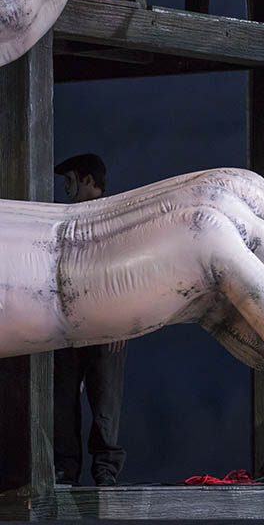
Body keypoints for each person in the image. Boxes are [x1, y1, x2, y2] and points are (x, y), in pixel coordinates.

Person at [53, 153, 127, 486]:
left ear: (87, 180)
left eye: (70, 180)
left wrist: (122, 319)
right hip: (68, 325)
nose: (66, 188)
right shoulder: (65, 221)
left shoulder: (117, 217)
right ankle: (66, 469)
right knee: (62, 399)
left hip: (106, 323)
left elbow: (128, 270)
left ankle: (105, 470)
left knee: (105, 401)